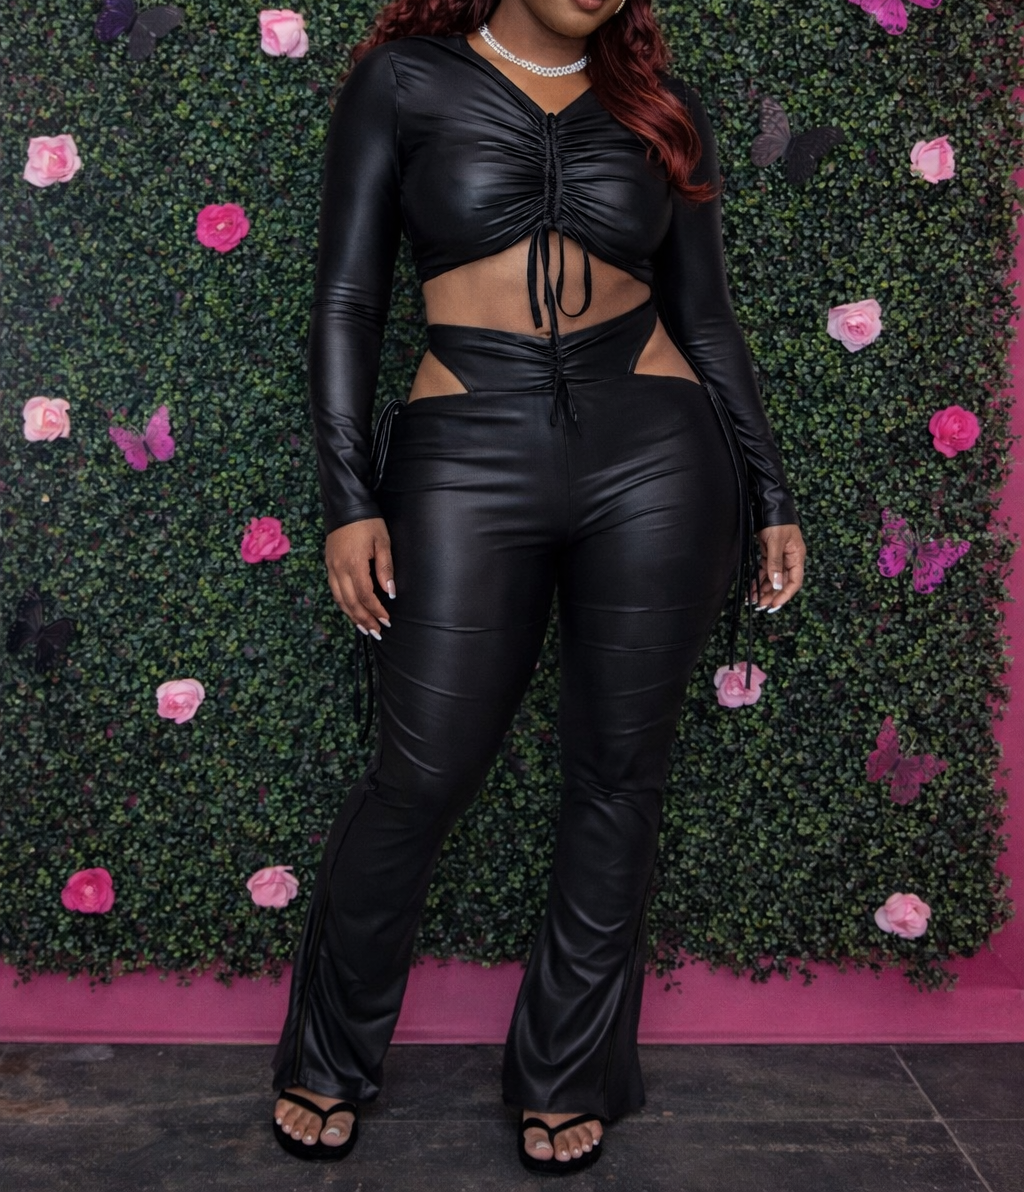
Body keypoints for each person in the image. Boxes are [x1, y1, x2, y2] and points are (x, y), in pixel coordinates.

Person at [270, 0, 806, 1173]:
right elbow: (349, 299)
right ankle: (330, 1053)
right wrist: (349, 499)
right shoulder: (403, 83)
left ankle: (566, 1071)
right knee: (419, 771)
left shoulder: (659, 106)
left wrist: (770, 491)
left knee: (618, 774)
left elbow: (704, 315)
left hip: (656, 449)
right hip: (467, 445)